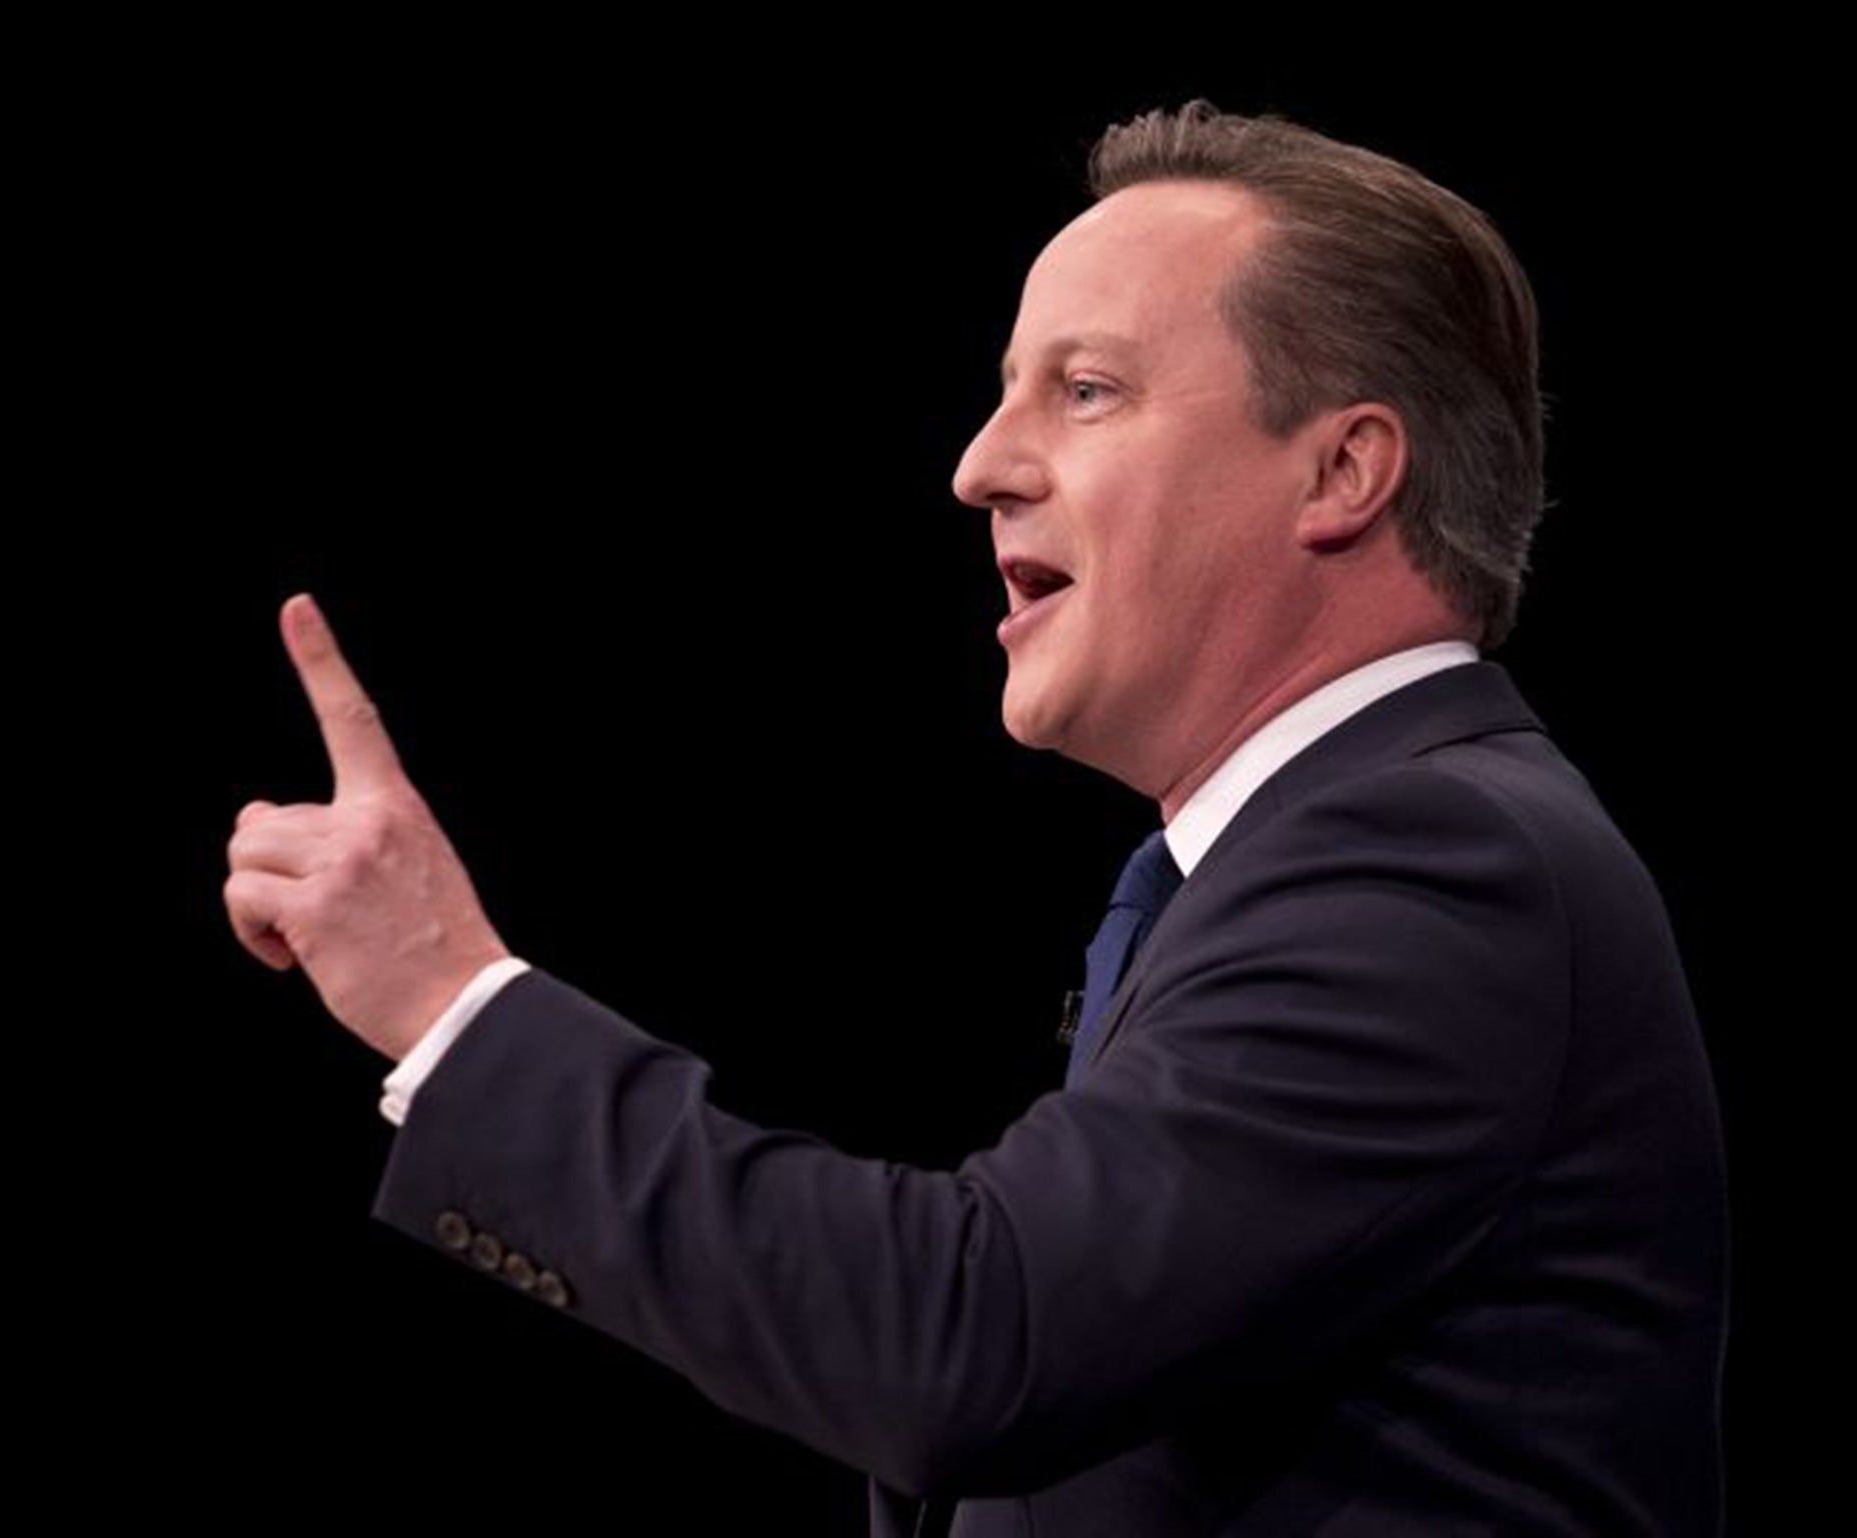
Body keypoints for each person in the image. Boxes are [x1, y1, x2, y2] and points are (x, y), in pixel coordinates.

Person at [225, 101, 1728, 1535]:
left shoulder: (1437, 867)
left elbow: (972, 1337)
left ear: (1341, 470)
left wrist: (456, 1004)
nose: (979, 466)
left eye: (1085, 391)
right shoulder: (1303, 862)